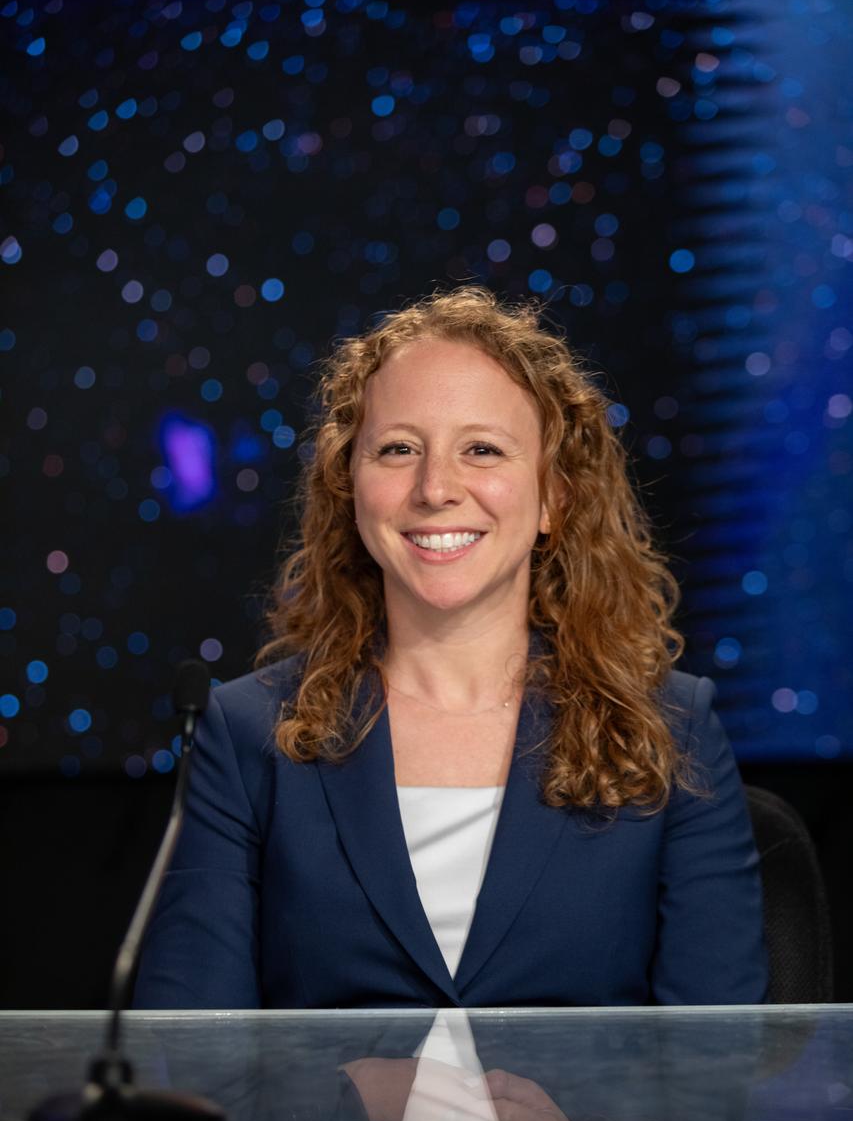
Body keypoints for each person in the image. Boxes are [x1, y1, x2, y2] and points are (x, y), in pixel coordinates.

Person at [134, 286, 767, 1018]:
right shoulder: (244, 732)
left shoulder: (673, 726)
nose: (435, 489)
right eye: (398, 449)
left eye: (482, 450)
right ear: (349, 486)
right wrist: (352, 1095)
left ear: (554, 497)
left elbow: (716, 1072)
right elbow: (185, 1061)